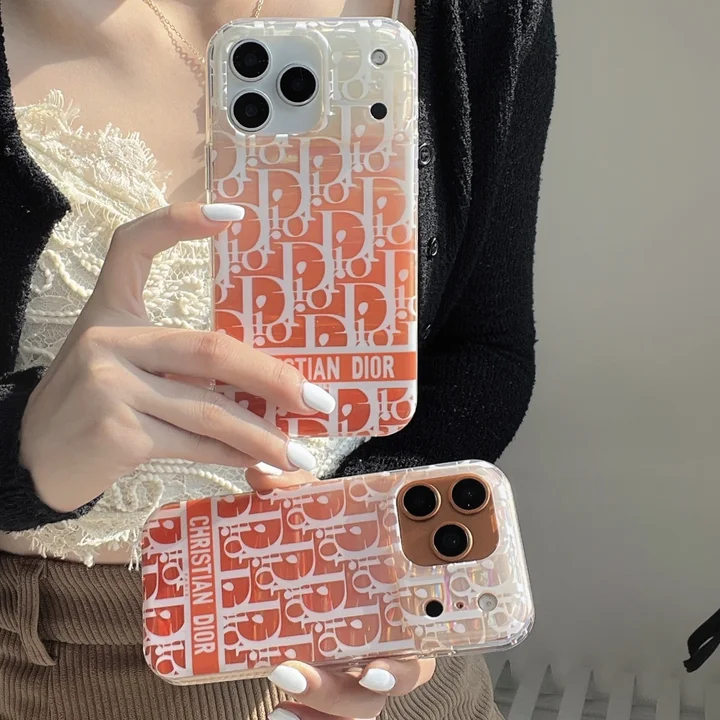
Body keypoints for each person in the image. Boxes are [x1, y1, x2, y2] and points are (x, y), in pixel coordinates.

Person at [0, 0, 556, 718]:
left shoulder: (477, 14)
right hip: (50, 666)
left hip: (369, 651)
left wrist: (359, 551)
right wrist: (22, 452)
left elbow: (486, 347)